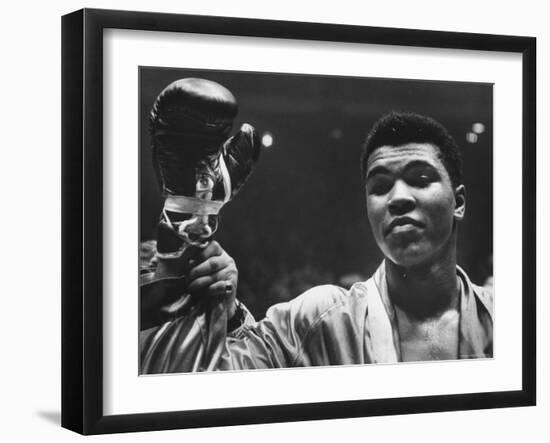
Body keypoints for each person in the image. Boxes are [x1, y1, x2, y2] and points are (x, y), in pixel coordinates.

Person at [139, 111, 493, 373]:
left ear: (458, 202)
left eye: (420, 178)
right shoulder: (318, 319)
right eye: (380, 186)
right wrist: (186, 222)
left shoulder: (519, 318)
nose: (397, 198)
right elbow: (198, 387)